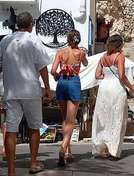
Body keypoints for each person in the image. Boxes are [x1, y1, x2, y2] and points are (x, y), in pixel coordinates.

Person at [0, 12, 51, 176]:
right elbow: (42, 66)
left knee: (11, 129)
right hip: (31, 90)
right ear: (31, 25)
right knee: (34, 127)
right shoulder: (34, 40)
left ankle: (11, 171)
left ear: (17, 25)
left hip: (12, 91)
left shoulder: (5, 40)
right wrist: (47, 87)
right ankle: (33, 163)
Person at [92, 34, 134, 160]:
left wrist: (107, 77)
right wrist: (132, 88)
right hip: (116, 89)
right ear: (118, 44)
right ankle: (114, 151)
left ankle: (104, 149)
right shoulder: (120, 56)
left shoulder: (103, 57)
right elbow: (121, 75)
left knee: (104, 118)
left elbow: (97, 75)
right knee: (117, 118)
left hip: (104, 88)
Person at [50, 29, 88, 167]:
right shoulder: (80, 53)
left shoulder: (60, 53)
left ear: (68, 39)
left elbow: (53, 70)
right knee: (71, 120)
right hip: (73, 82)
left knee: (64, 119)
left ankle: (68, 151)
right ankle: (62, 148)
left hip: (62, 82)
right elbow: (85, 64)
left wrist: (56, 76)